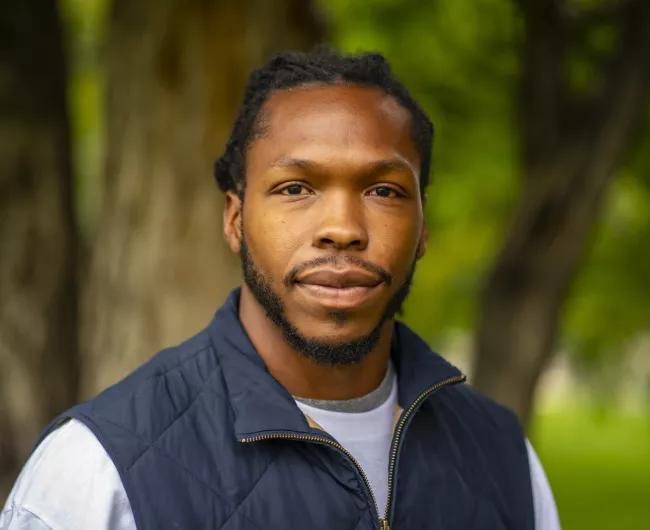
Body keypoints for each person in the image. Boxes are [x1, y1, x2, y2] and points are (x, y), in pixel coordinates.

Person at [1, 48, 561, 530]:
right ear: (235, 219)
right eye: (296, 187)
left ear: (423, 228)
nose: (342, 228)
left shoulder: (504, 457)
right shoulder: (99, 472)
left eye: (384, 191)